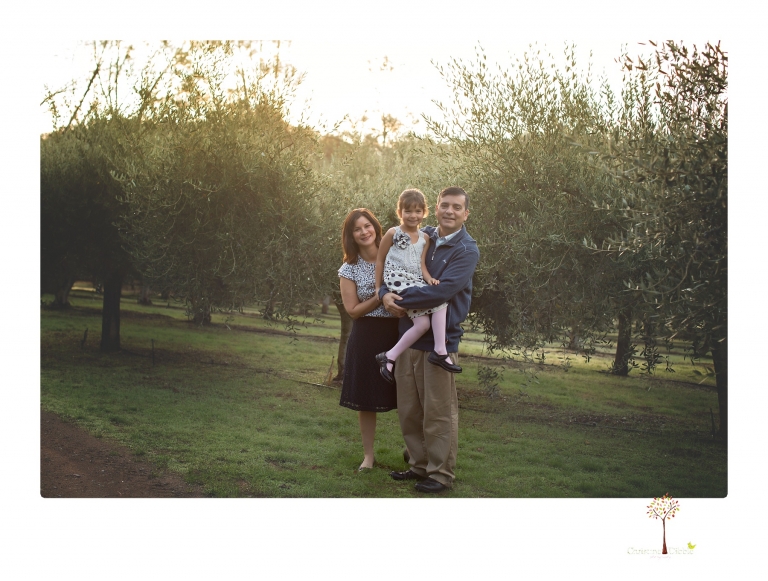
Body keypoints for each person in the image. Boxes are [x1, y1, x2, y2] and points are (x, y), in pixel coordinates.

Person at [380, 186, 479, 493]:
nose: (449, 211)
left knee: (438, 412)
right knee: (410, 410)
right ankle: (418, 465)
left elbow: (441, 292)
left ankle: (439, 474)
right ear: (435, 208)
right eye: (444, 205)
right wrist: (384, 295)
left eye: (456, 207)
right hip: (410, 337)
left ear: (465, 213)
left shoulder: (467, 250)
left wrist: (400, 299)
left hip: (440, 341)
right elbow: (391, 267)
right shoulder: (422, 236)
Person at [373, 189, 461, 385]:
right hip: (397, 280)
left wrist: (430, 280)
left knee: (423, 324)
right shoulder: (393, 233)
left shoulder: (425, 238)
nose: (413, 216)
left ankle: (389, 356)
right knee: (440, 302)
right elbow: (380, 260)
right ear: (400, 212)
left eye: (418, 211)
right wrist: (379, 288)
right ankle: (440, 350)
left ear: (424, 213)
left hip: (414, 280)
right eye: (408, 211)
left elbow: (421, 265)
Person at [337, 208, 401, 471]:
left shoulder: (395, 256)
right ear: (351, 236)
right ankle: (368, 456)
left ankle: (415, 450)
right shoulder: (348, 268)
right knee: (366, 400)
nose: (364, 232)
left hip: (400, 332)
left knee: (408, 394)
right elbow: (352, 310)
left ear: (375, 227)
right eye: (357, 229)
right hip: (367, 335)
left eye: (367, 226)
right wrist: (380, 295)